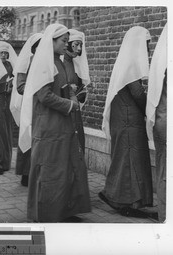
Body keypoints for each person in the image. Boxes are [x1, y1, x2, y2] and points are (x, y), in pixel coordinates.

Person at [19, 24, 91, 222]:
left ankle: (62, 211)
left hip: (61, 123)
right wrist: (70, 104)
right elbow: (44, 95)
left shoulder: (58, 62)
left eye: (67, 41)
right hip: (49, 124)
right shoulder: (44, 63)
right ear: (52, 41)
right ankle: (46, 213)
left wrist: (75, 96)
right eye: (64, 41)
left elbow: (65, 86)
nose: (66, 45)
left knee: (64, 168)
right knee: (50, 170)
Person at [100, 26, 153, 218]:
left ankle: (121, 197)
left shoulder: (126, 62)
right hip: (128, 119)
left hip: (126, 118)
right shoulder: (131, 64)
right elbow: (137, 93)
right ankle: (123, 200)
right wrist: (152, 107)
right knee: (130, 161)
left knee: (127, 160)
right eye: (146, 45)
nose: (148, 49)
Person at [9, 33, 42, 186]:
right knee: (27, 137)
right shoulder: (25, 63)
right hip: (29, 106)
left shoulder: (47, 62)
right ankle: (25, 173)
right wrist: (38, 90)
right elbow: (21, 87)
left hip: (42, 106)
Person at [146, 24, 167, 222]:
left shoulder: (162, 58)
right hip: (166, 121)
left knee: (164, 170)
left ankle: (164, 214)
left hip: (162, 120)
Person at [0, 41, 17, 175]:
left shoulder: (10, 65)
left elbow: (14, 79)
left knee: (7, 129)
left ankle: (5, 161)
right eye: (0, 52)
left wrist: (11, 86)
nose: (3, 55)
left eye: (5, 53)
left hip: (8, 98)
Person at [63, 29, 91, 152]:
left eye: (81, 45)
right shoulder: (60, 62)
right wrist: (69, 88)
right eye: (76, 45)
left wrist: (81, 91)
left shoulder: (76, 64)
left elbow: (81, 85)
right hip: (63, 110)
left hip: (75, 109)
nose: (79, 49)